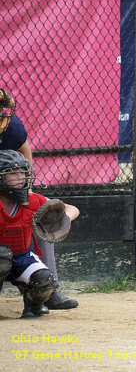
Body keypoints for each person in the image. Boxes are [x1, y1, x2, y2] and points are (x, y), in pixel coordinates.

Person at [0, 89, 78, 310]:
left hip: (3, 182)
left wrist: (24, 188)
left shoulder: (10, 128)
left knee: (37, 216)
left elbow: (23, 150)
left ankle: (47, 289)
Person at [0, 150, 80, 318]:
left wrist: (62, 221)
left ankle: (33, 305)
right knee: (2, 255)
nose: (20, 177)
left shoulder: (32, 200)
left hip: (22, 256)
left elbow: (72, 209)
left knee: (43, 278)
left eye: (22, 171)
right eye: (13, 173)